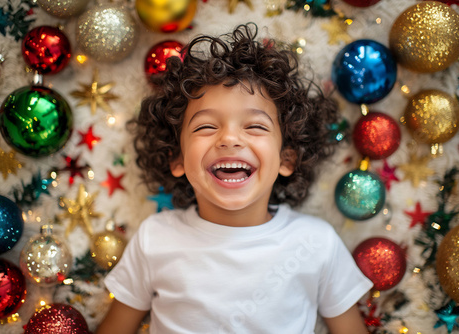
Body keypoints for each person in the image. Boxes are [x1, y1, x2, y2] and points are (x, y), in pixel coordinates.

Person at [95, 23, 373, 334]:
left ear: (286, 158)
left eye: (254, 126)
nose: (229, 138)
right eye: (205, 127)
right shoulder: (154, 239)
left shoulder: (316, 243)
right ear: (177, 158)